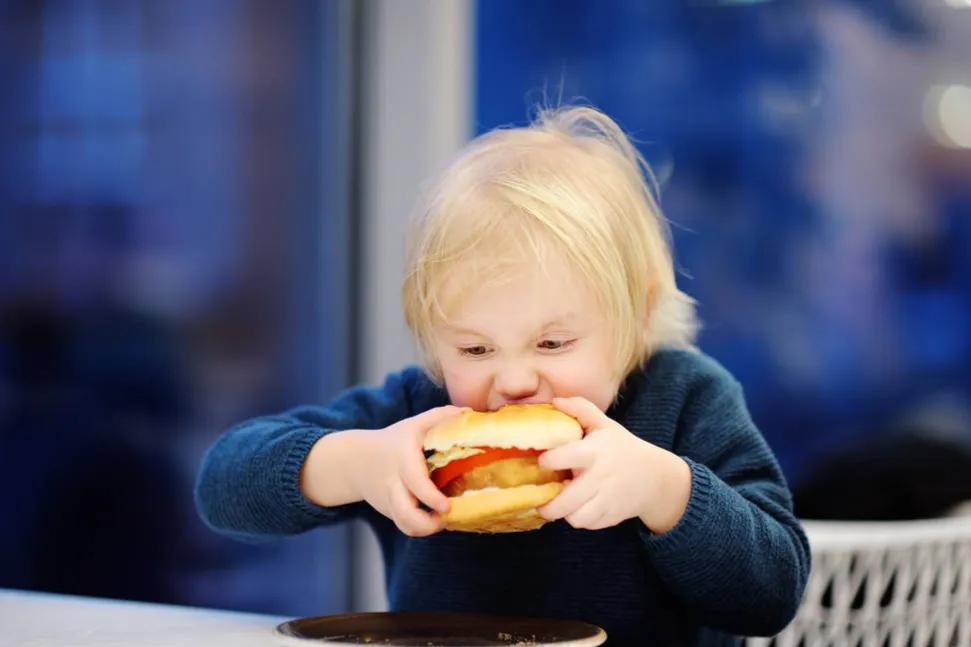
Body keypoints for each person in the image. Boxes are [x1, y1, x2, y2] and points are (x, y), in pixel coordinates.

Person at [194, 106, 809, 645]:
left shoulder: (685, 400)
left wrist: (668, 493)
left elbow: (772, 593)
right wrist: (357, 464)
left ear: (637, 315)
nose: (513, 381)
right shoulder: (419, 413)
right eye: (476, 349)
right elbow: (223, 485)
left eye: (552, 342)